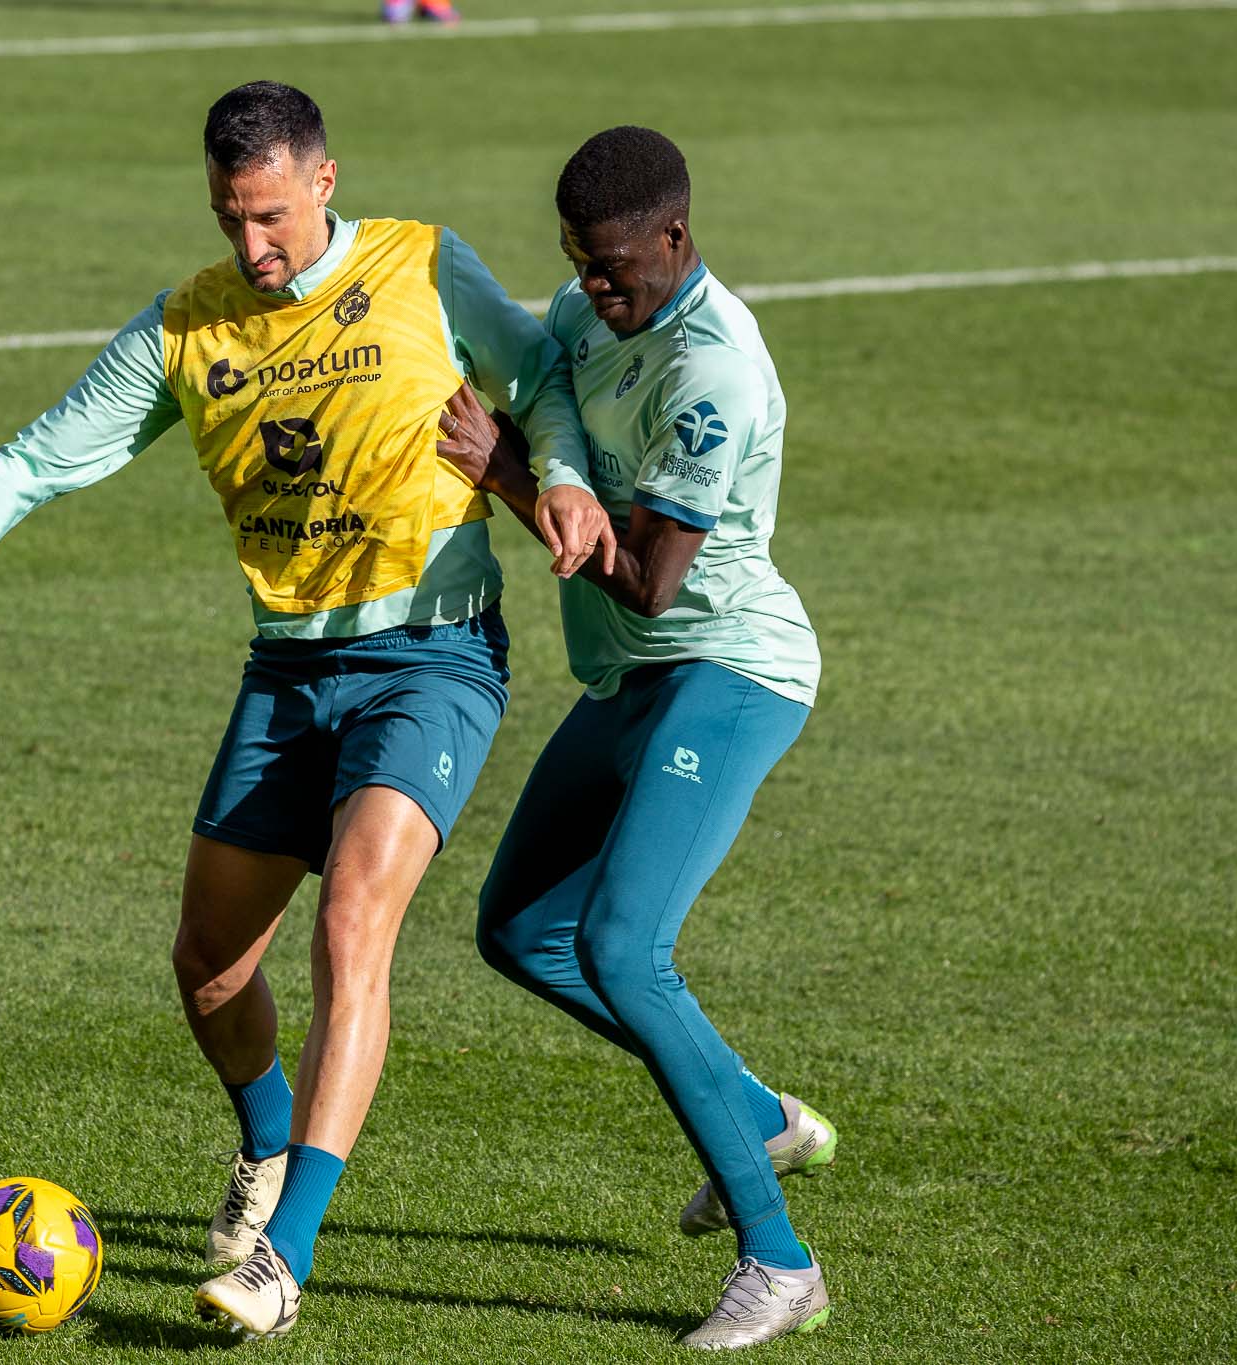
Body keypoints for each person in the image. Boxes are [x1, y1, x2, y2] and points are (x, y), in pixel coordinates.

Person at [0, 82, 610, 1340]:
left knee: (354, 923)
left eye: (271, 216)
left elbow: (544, 375)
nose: (252, 246)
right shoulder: (186, 328)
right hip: (287, 671)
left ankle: (283, 1254)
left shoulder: (424, 266)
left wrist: (558, 474)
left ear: (324, 182)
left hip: (432, 659)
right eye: (229, 218)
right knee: (206, 964)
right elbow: (41, 455)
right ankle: (261, 1144)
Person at [435, 126, 835, 1351]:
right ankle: (753, 1111)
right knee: (516, 931)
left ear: (674, 236)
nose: (594, 290)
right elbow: (547, 371)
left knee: (620, 943)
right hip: (628, 684)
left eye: (615, 267)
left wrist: (513, 478)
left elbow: (655, 581)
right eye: (576, 264)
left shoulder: (713, 367)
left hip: (724, 669)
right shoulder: (590, 308)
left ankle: (779, 1262)